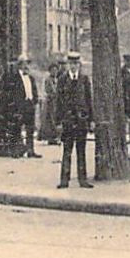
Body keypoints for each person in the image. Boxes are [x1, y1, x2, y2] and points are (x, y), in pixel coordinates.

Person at [54, 51, 95, 189]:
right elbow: (58, 102)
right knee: (67, 151)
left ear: (79, 64)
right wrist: (58, 121)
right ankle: (64, 180)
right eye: (71, 64)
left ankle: (82, 180)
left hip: (81, 120)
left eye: (76, 63)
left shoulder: (84, 80)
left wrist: (91, 119)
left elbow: (89, 100)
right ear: (68, 65)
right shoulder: (62, 80)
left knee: (81, 151)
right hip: (67, 121)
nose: (73, 66)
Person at [2, 54, 40, 158]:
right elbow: (12, 93)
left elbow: (34, 90)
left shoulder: (31, 78)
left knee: (30, 130)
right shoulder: (14, 78)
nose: (26, 66)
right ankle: (16, 151)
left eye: (27, 63)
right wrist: (16, 106)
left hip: (29, 105)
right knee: (16, 129)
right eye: (24, 63)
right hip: (19, 106)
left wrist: (34, 101)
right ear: (19, 65)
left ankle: (30, 150)